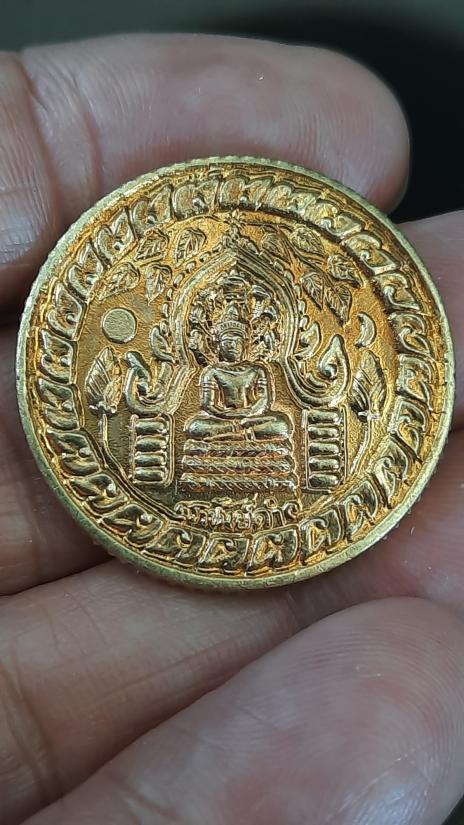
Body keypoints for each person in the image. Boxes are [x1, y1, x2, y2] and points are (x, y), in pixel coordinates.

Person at [1, 31, 464, 825]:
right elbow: (156, 407)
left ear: (276, 326)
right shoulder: (188, 375)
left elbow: (317, 402)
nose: (236, 330)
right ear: (195, 323)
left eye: (251, 318)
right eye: (220, 317)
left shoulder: (293, 377)